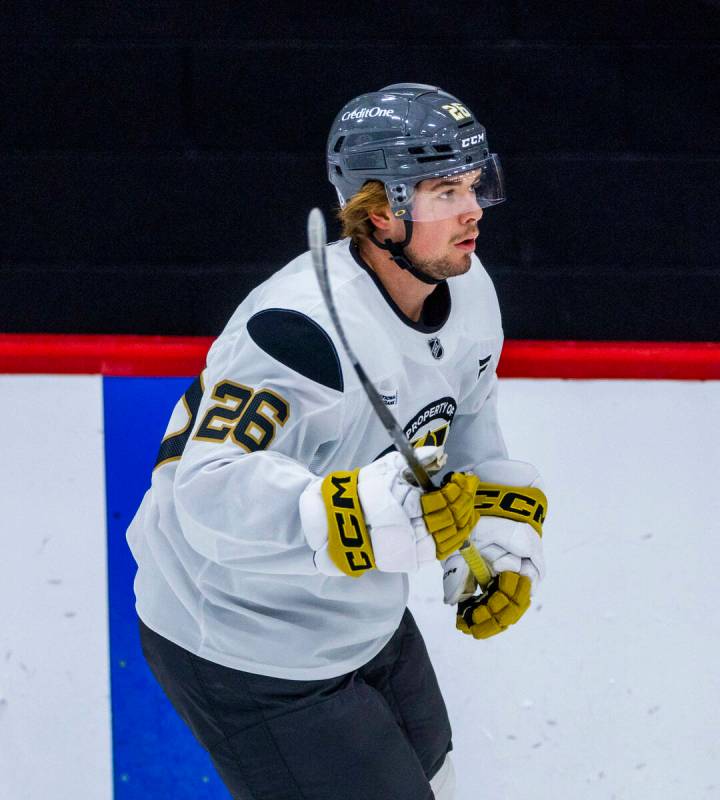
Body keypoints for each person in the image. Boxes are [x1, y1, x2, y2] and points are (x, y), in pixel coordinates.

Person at [127, 83, 547, 800]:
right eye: (446, 190)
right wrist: (358, 515)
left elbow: (465, 419)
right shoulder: (300, 328)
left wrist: (490, 540)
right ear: (382, 210)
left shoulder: (468, 289)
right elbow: (208, 489)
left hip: (361, 615)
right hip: (242, 640)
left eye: (476, 184)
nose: (473, 208)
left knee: (439, 784)